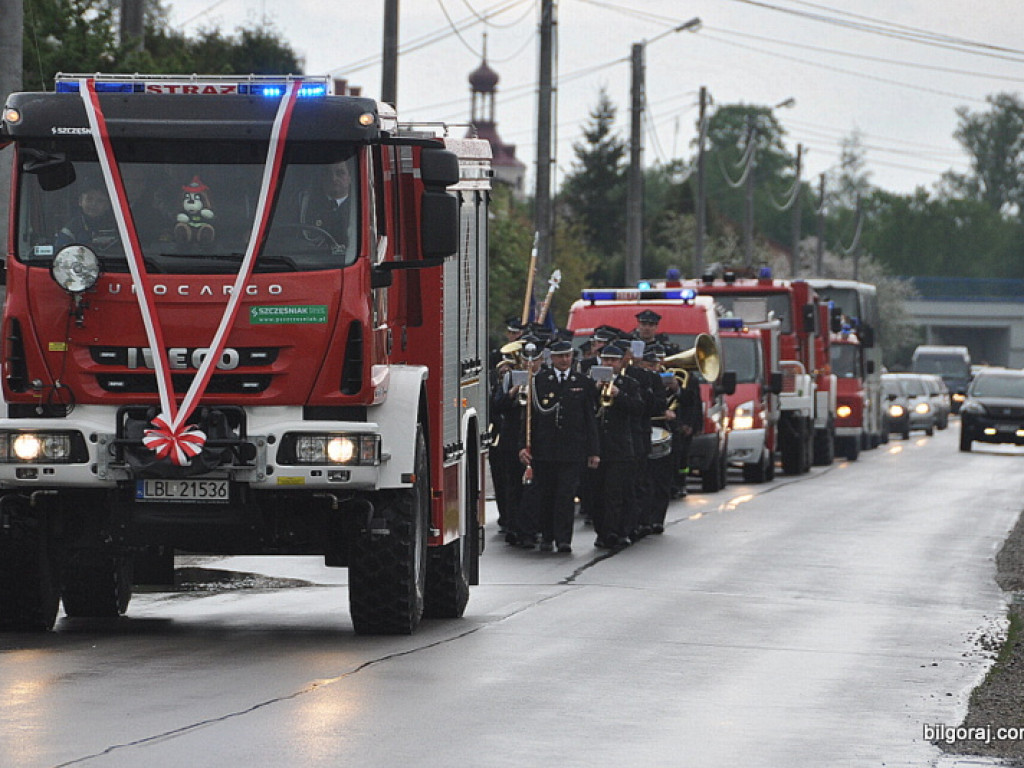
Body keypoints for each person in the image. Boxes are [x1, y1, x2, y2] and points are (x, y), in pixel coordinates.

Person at [517, 339, 600, 553]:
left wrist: (593, 451)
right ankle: (547, 536)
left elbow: (589, 419)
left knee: (566, 495)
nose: (564, 360)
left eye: (568, 356)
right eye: (560, 356)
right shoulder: (539, 381)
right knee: (546, 494)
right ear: (551, 358)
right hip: (544, 449)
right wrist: (523, 446)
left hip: (572, 450)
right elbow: (528, 418)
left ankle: (563, 539)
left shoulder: (582, 382)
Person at [587, 342, 643, 549]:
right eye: (606, 360)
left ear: (621, 363)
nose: (609, 364)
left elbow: (638, 408)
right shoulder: (589, 383)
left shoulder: (629, 384)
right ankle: (601, 531)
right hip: (596, 446)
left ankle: (616, 531)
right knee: (596, 493)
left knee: (616, 493)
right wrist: (594, 391)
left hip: (619, 447)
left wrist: (619, 395)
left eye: (613, 360)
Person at [299, 159, 354, 247]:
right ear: (322, 177)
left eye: (340, 173)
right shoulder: (305, 205)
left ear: (350, 177)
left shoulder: (358, 208)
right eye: (328, 173)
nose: (333, 178)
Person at [55, 185, 119, 251]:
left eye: (100, 201)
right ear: (80, 201)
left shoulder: (118, 226)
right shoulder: (71, 229)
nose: (94, 204)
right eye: (89, 199)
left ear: (107, 205)